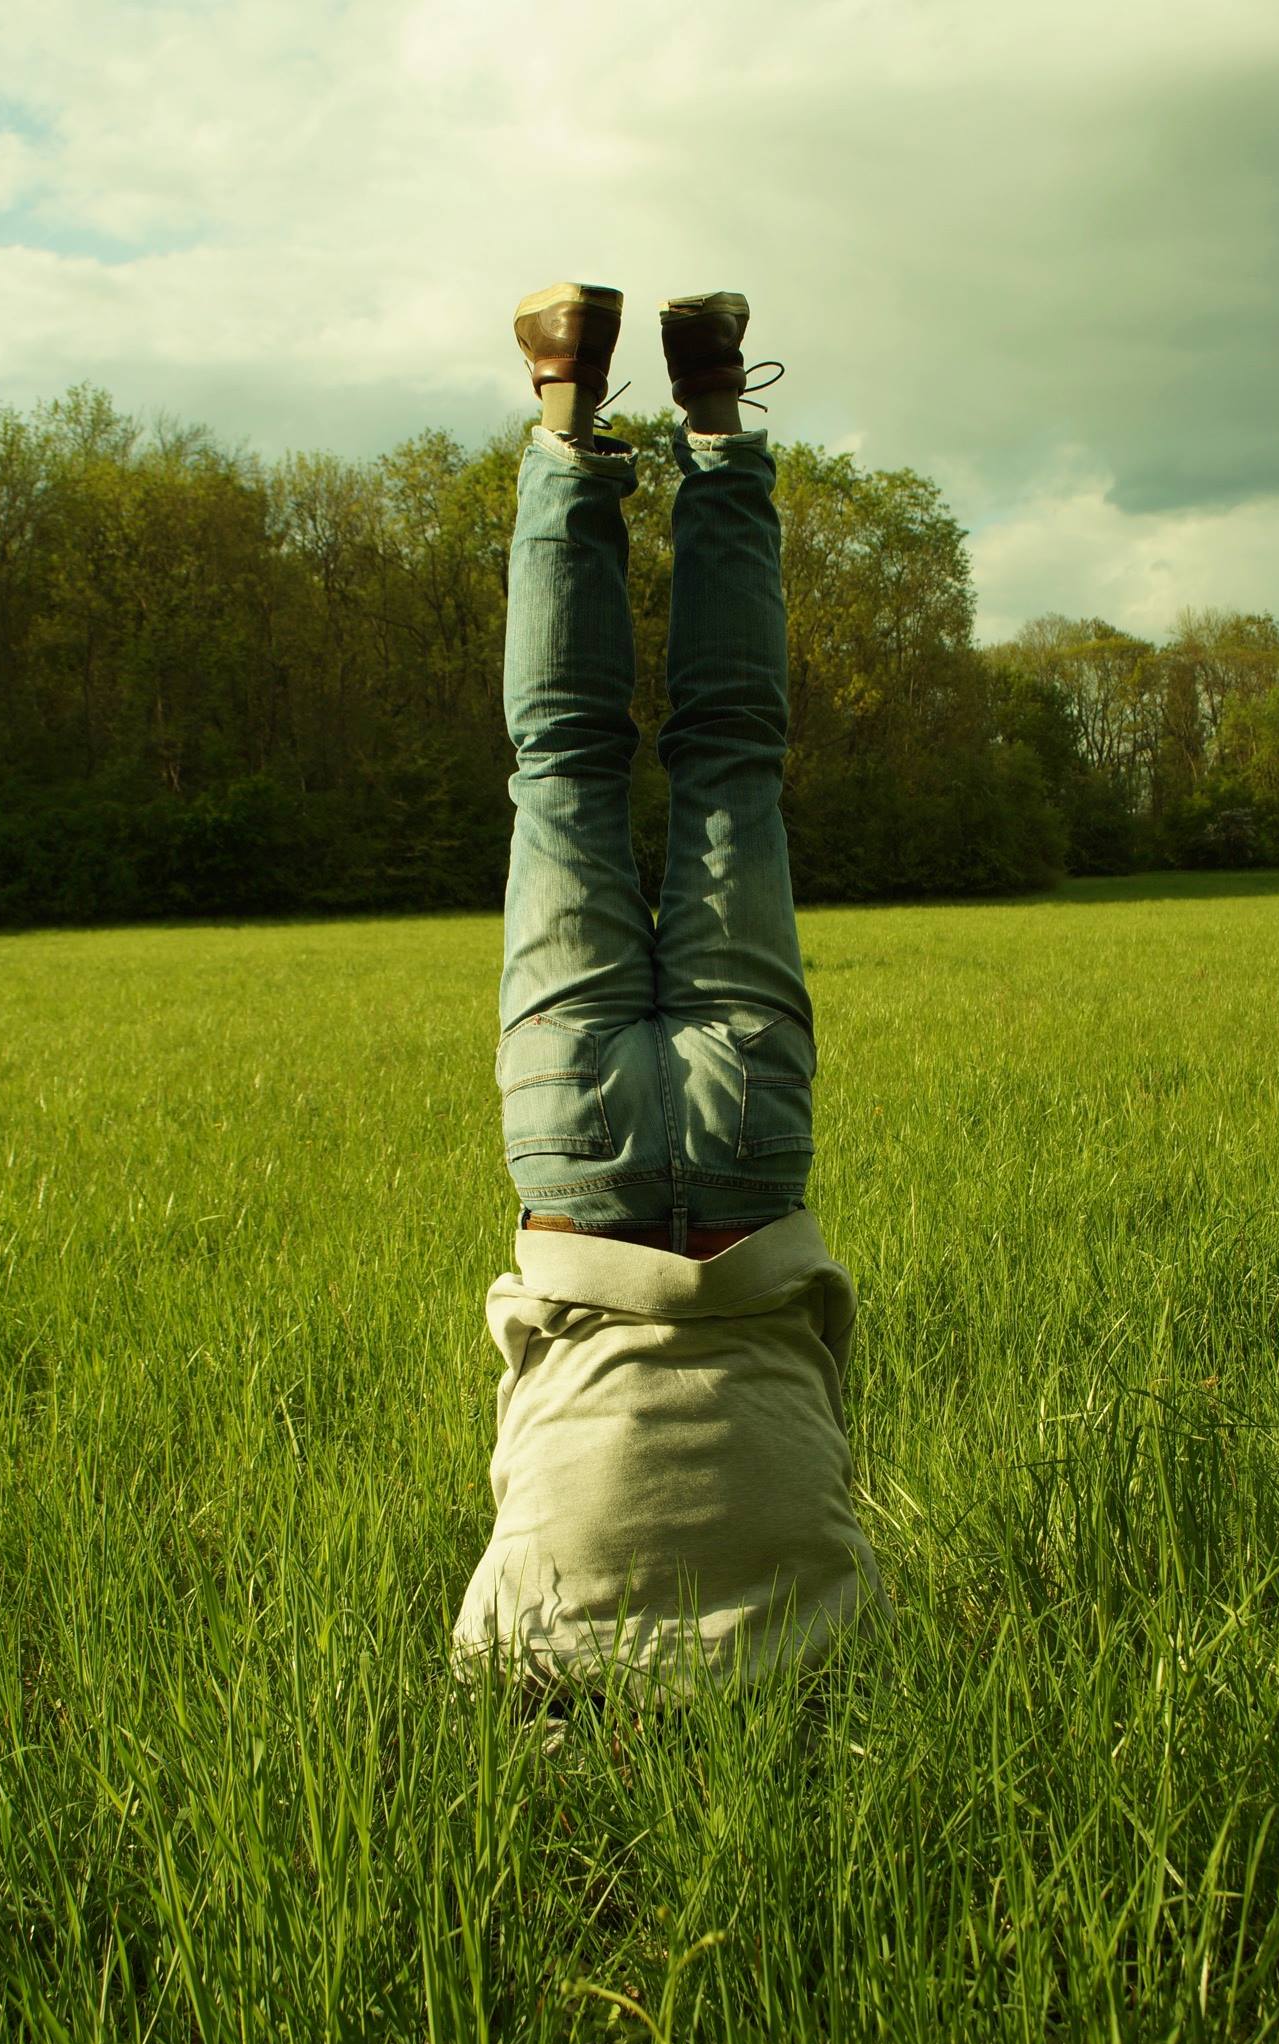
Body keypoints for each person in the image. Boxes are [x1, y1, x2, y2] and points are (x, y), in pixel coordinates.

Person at [451, 283, 886, 1707]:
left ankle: (713, 416)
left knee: (732, 758)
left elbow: (829, 1369)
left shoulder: (827, 1648)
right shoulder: (534, 1656)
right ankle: (568, 409)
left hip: (750, 1169)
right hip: (575, 1171)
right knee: (564, 761)